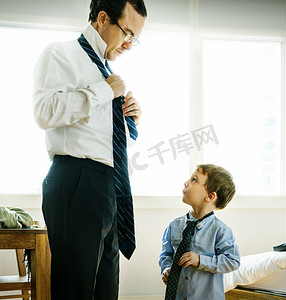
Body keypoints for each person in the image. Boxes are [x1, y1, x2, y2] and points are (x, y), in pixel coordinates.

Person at [32, 0, 147, 299]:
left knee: (106, 292)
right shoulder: (61, 53)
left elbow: (99, 138)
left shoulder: (106, 72)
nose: (129, 45)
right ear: (103, 18)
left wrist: (129, 121)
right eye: (127, 33)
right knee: (75, 291)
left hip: (111, 186)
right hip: (77, 180)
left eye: (135, 38)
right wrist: (104, 91)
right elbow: (44, 112)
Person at [159, 164, 240, 300]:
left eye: (194, 179)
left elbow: (232, 261)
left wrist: (200, 260)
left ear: (210, 196)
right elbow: (166, 255)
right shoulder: (174, 226)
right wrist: (166, 269)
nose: (186, 183)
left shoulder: (221, 231)